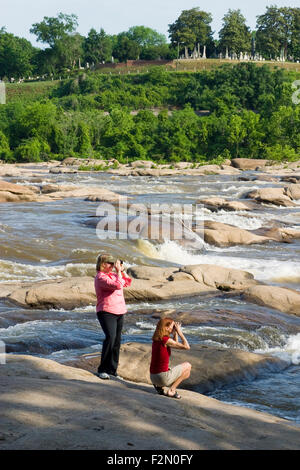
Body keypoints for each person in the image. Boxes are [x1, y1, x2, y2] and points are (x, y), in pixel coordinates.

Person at [94, 253, 131, 380]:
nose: (112, 265)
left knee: (117, 341)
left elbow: (127, 283)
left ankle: (112, 370)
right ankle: (102, 369)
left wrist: (122, 271)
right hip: (106, 311)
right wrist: (119, 272)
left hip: (119, 310)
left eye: (112, 263)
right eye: (110, 263)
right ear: (103, 264)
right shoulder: (100, 277)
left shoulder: (113, 275)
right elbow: (117, 285)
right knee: (110, 338)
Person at [150, 317, 191, 399]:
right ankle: (172, 390)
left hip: (153, 377)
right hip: (162, 377)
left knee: (187, 373)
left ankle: (159, 387)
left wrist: (174, 333)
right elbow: (187, 347)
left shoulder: (157, 339)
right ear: (166, 327)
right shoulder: (166, 340)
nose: (173, 328)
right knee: (188, 365)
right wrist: (180, 332)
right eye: (172, 326)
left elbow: (175, 344)